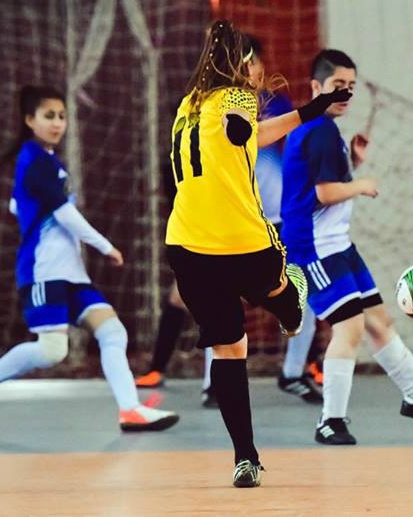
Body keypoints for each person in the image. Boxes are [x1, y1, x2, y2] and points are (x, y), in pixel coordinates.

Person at [166, 20, 350, 487]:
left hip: (187, 247)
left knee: (231, 349)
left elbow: (253, 134)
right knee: (280, 291)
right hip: (242, 242)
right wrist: (302, 113)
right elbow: (241, 128)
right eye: (251, 61)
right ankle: (287, 297)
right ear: (239, 64)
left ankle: (244, 457)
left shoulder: (187, 107)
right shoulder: (236, 98)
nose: (257, 70)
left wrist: (309, 111)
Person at [0, 85, 179, 433]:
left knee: (112, 332)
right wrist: (104, 245)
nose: (57, 123)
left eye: (62, 116)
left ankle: (130, 409)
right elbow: (64, 214)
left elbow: (19, 204)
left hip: (71, 273)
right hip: (43, 272)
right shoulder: (33, 159)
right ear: (29, 120)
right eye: (48, 116)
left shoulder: (47, 162)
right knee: (53, 351)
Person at [280, 50, 413, 446]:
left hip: (338, 244)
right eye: (335, 87)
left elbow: (322, 184)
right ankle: (330, 421)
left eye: (350, 88)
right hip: (312, 249)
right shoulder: (319, 129)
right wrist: (361, 184)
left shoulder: (326, 129)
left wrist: (353, 164)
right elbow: (324, 192)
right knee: (350, 327)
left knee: (380, 322)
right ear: (316, 88)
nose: (344, 94)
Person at [136, 35, 322, 406]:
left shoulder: (273, 105)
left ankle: (296, 371)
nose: (258, 69)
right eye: (251, 62)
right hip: (225, 224)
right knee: (210, 304)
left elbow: (294, 149)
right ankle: (192, 376)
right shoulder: (209, 106)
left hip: (274, 219)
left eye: (258, 62)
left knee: (305, 296)